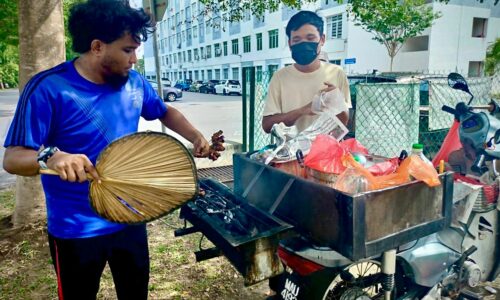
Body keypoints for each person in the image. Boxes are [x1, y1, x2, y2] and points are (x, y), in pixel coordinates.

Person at [2, 1, 210, 299]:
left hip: (131, 217)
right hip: (76, 230)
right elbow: (13, 158)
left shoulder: (135, 83)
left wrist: (195, 136)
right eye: (128, 50)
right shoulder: (49, 88)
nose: (135, 59)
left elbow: (164, 111)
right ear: (97, 46)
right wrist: (52, 155)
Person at [262, 11, 351, 133]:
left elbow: (344, 122)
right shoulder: (280, 77)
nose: (304, 44)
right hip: (290, 151)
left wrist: (337, 101)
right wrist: (303, 110)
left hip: (326, 150)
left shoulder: (337, 73)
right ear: (290, 44)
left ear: (322, 39)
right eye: (297, 39)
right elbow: (267, 125)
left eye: (310, 38)